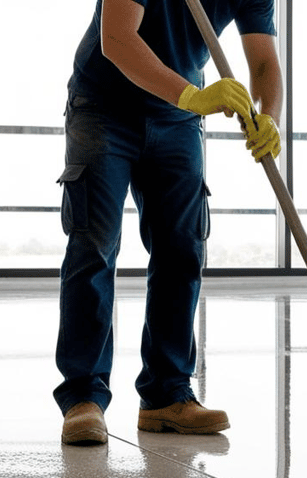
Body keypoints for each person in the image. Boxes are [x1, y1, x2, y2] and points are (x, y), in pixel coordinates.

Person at [55, 0, 283, 445]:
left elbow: (262, 62)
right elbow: (117, 38)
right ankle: (84, 398)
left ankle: (166, 395)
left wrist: (268, 117)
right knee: (95, 244)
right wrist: (195, 96)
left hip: (178, 119)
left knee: (182, 248)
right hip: (105, 102)